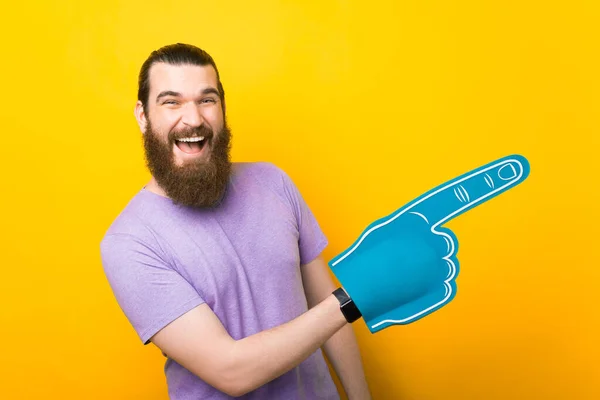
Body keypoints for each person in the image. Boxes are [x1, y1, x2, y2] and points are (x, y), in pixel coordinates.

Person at [100, 43, 372, 399]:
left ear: (223, 108)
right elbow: (231, 371)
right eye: (172, 102)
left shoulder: (274, 182)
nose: (194, 118)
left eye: (207, 99)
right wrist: (361, 294)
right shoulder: (129, 242)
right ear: (142, 115)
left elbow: (328, 308)